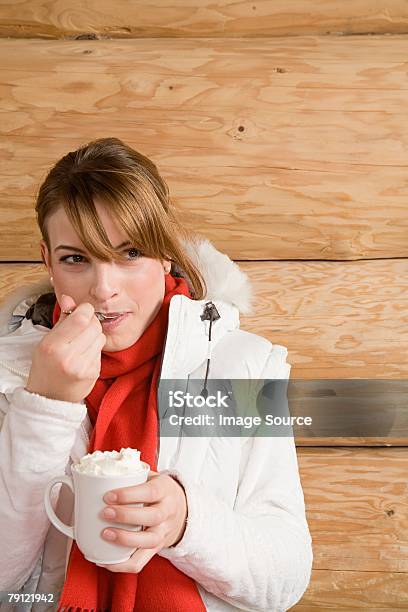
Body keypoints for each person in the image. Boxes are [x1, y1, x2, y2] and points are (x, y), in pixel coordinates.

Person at [0, 137, 313, 611]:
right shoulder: (9, 374)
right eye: (75, 259)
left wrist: (188, 521)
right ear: (48, 261)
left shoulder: (241, 369)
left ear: (166, 253)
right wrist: (45, 406)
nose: (105, 290)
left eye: (130, 254)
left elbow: (285, 578)